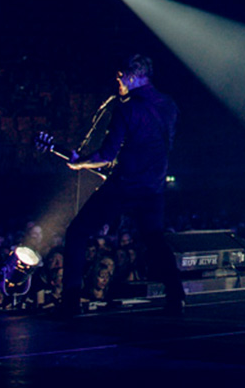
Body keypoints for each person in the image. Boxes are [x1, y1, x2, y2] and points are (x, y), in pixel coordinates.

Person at [55, 54, 184, 315]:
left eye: (120, 77)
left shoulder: (127, 109)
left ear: (132, 77)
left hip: (125, 186)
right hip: (154, 188)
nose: (118, 82)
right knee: (155, 240)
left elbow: (106, 155)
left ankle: (70, 301)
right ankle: (176, 297)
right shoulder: (169, 105)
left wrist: (79, 163)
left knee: (77, 232)